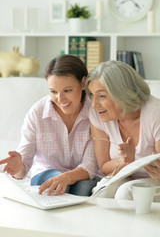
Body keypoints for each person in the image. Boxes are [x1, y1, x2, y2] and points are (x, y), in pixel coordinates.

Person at [0, 54, 99, 196]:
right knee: (56, 181)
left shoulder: (94, 112)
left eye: (67, 90)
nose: (60, 99)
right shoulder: (37, 113)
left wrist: (66, 177)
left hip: (80, 176)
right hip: (46, 173)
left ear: (83, 83)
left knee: (84, 188)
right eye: (53, 92)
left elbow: (90, 165)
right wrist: (18, 168)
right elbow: (24, 166)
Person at [85, 60, 160, 201]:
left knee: (126, 193)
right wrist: (125, 161)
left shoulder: (156, 113)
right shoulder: (98, 115)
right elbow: (104, 166)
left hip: (156, 180)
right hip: (126, 176)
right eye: (91, 95)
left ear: (122, 93)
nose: (94, 104)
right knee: (102, 192)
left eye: (101, 96)